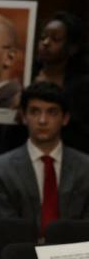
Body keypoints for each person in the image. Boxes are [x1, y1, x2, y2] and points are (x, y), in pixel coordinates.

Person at [0, 82, 89, 235]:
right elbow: (6, 227)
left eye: (52, 112)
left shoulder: (85, 166)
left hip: (76, 255)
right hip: (23, 253)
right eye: (34, 112)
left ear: (65, 118)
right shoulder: (0, 168)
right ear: (24, 117)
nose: (42, 120)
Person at [32, 11, 89, 154]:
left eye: (55, 39)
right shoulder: (26, 74)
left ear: (72, 48)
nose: (45, 43)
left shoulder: (83, 85)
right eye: (43, 37)